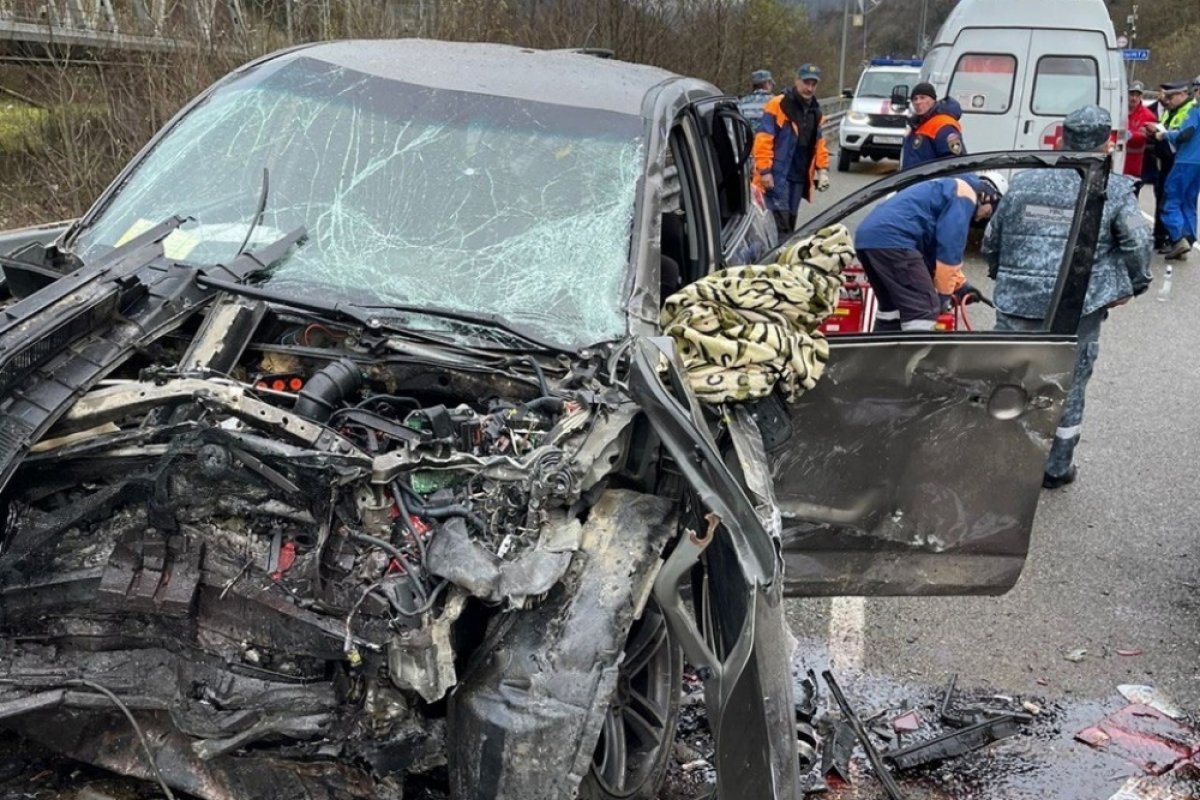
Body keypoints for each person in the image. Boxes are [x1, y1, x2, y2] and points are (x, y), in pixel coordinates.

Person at [983, 105, 1152, 490]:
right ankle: (1055, 468)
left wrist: (1002, 275)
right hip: (1078, 308)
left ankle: (999, 459)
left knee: (1012, 376)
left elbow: (993, 238)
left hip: (1017, 302)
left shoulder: (1024, 183)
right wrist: (1134, 284)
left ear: (1061, 138)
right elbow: (1137, 242)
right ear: (1108, 143)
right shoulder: (1114, 190)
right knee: (1069, 386)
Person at [854, 172, 1005, 331]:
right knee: (923, 309)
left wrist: (960, 285)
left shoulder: (947, 188)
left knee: (893, 309)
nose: (983, 218)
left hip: (868, 239)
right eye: (989, 212)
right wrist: (943, 296)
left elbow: (932, 252)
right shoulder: (966, 194)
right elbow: (948, 250)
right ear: (990, 195)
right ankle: (917, 356)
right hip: (894, 241)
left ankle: (878, 354)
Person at [752, 63, 831, 238]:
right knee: (779, 224)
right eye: (805, 82)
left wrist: (822, 169)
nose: (809, 88)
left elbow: (818, 143)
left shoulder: (815, 111)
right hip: (778, 176)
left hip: (799, 176)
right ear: (797, 81)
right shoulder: (778, 105)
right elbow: (764, 139)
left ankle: (781, 257)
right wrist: (765, 171)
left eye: (813, 84)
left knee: (790, 222)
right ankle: (775, 260)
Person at [1144, 81, 1196, 252]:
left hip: (1184, 160)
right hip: (1196, 162)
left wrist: (1163, 135)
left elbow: (1185, 133)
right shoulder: (1181, 109)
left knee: (1170, 200)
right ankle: (1188, 238)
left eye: (1171, 96)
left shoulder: (1193, 110)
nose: (1168, 100)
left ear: (1182, 94)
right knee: (1188, 201)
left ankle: (1178, 238)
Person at [899, 82, 966, 171]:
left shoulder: (943, 124)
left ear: (933, 100)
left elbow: (952, 161)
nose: (918, 102)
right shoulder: (916, 125)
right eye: (915, 99)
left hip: (932, 182)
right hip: (915, 181)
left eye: (923, 97)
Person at [1123, 81, 1157, 193]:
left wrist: (1129, 134)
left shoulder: (1147, 115)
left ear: (1141, 96)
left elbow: (1144, 137)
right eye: (1132, 94)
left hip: (1134, 164)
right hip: (1116, 161)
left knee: (1131, 194)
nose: (1134, 98)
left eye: (1137, 95)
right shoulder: (1119, 111)